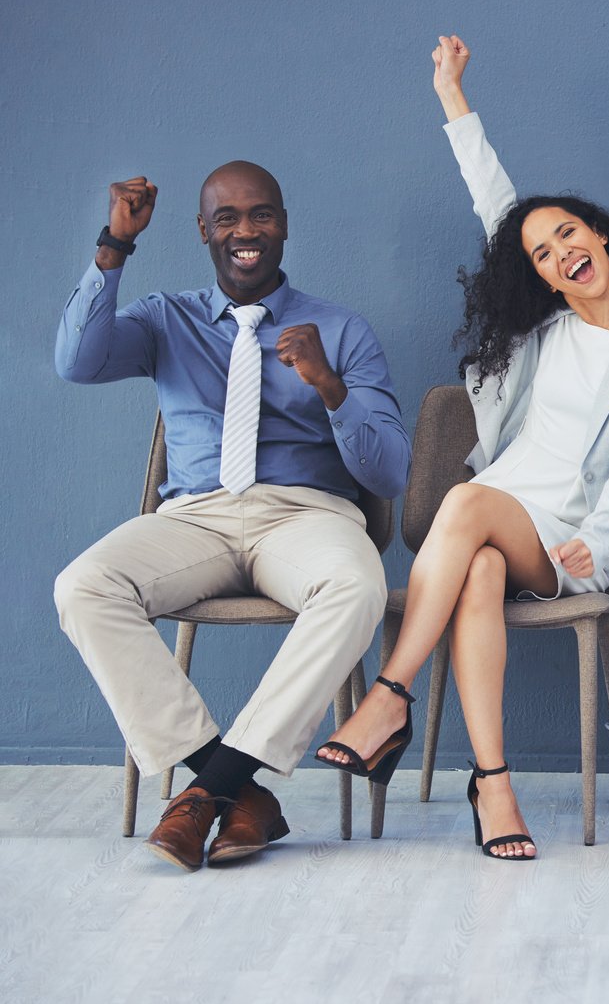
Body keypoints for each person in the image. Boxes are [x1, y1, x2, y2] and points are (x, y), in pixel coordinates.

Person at [315, 36, 609, 861]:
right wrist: (453, 95)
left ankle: (390, 696)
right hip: (499, 517)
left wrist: (597, 535)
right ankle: (494, 785)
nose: (563, 253)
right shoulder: (547, 331)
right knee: (479, 561)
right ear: (547, 279)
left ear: (598, 233)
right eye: (545, 255)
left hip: (571, 531)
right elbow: (498, 209)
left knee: (465, 503)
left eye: (569, 233)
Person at [53, 162, 411, 872]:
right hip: (196, 516)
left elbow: (390, 471)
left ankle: (205, 793)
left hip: (304, 513)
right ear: (204, 231)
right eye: (228, 218)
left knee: (357, 585)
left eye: (261, 215)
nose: (245, 231)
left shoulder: (339, 328)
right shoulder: (166, 318)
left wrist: (329, 386)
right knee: (83, 586)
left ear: (283, 224)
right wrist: (112, 248)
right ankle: (237, 787)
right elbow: (78, 361)